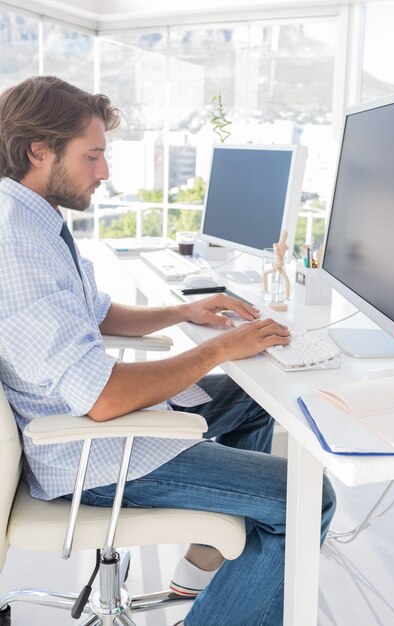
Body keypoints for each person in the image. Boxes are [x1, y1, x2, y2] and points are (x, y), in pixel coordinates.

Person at [0, 76, 336, 626]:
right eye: (93, 155)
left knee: (258, 401)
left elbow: (96, 310)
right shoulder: (18, 246)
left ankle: (212, 560)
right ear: (40, 151)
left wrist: (183, 313)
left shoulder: (36, 220)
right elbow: (105, 399)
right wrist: (221, 348)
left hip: (100, 424)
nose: (104, 172)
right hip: (91, 456)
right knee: (306, 498)